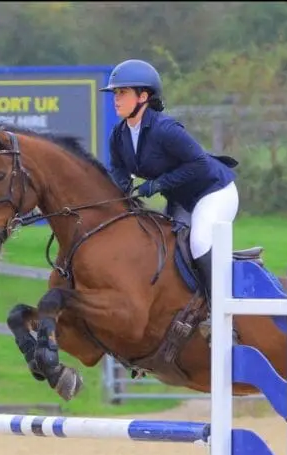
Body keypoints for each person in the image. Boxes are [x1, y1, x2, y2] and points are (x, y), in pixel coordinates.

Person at [100, 59, 239, 304]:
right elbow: (118, 169)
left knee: (199, 242)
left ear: (143, 96)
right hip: (181, 199)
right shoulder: (119, 135)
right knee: (165, 244)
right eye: (115, 93)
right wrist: (122, 195)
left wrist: (158, 184)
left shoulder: (165, 129)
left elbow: (199, 163)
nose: (116, 98)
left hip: (214, 192)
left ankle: (218, 308)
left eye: (122, 92)